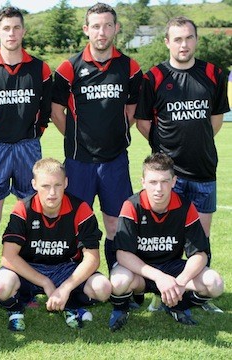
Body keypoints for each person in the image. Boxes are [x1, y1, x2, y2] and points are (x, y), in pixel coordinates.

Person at [134, 16, 230, 313]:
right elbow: (142, 122)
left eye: (189, 37)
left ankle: (195, 297)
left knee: (200, 241)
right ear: (167, 42)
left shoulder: (214, 73)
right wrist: (167, 149)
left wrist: (194, 143)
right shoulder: (154, 77)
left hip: (202, 171)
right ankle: (161, 293)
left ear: (196, 39)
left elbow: (215, 121)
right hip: (167, 176)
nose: (184, 44)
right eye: (177, 39)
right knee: (166, 240)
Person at [51, 3, 143, 292]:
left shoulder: (130, 66)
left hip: (115, 160)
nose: (101, 32)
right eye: (95, 26)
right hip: (79, 161)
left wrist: (112, 136)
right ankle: (76, 281)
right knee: (75, 223)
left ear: (116, 28)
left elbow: (131, 110)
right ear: (86, 29)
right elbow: (56, 113)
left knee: (116, 223)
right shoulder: (68, 68)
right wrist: (81, 138)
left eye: (107, 25)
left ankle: (119, 280)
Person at [0, 6, 53, 310]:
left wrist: (30, 136)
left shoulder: (40, 69)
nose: (12, 33)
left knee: (32, 218)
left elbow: (45, 115)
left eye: (17, 28)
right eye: (6, 28)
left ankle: (26, 288)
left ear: (23, 31)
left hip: (29, 147)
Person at [108, 153, 224, 331]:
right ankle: (121, 308)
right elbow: (123, 254)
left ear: (174, 181)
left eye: (164, 181)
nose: (158, 189)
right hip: (142, 272)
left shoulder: (185, 206)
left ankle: (176, 302)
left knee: (214, 284)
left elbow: (199, 254)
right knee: (118, 282)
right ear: (143, 182)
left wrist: (180, 282)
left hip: (173, 268)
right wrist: (159, 278)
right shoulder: (132, 205)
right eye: (153, 182)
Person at [0, 158, 111, 331]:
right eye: (45, 186)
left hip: (66, 268)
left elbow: (92, 259)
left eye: (57, 185)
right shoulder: (23, 209)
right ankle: (16, 310)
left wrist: (65, 287)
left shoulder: (81, 209)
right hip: (29, 269)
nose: (52, 193)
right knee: (2, 286)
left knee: (103, 288)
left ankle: (69, 304)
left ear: (66, 183)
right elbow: (8, 257)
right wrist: (46, 282)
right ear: (34, 184)